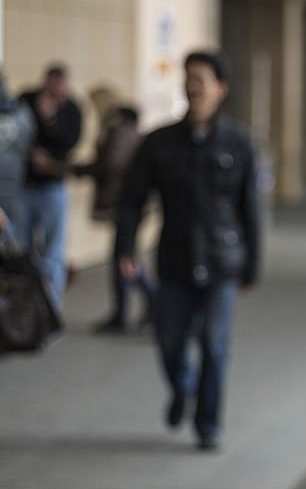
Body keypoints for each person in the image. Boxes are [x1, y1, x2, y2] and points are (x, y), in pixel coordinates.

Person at [116, 51, 261, 452]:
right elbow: (132, 200)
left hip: (221, 262)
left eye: (201, 79)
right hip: (175, 259)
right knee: (169, 340)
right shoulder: (160, 142)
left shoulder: (238, 141)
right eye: (188, 78)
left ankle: (208, 423)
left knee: (215, 345)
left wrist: (252, 265)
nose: (192, 86)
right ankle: (183, 387)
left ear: (221, 89)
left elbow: (251, 208)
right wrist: (125, 248)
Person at [74, 87, 155, 333]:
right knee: (124, 257)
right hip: (129, 202)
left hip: (127, 203)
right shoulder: (129, 129)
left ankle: (151, 302)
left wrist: (79, 169)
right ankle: (130, 309)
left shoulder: (119, 130)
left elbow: (112, 165)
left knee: (124, 257)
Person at [18, 64, 82, 309]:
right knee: (23, 248)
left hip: (53, 187)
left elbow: (70, 141)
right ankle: (23, 305)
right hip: (25, 186)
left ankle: (50, 305)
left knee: (53, 250)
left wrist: (50, 119)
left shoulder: (72, 109)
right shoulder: (26, 100)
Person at [0, 72, 35, 236]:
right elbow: (27, 142)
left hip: (14, 188)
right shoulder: (21, 113)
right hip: (16, 187)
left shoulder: (20, 112)